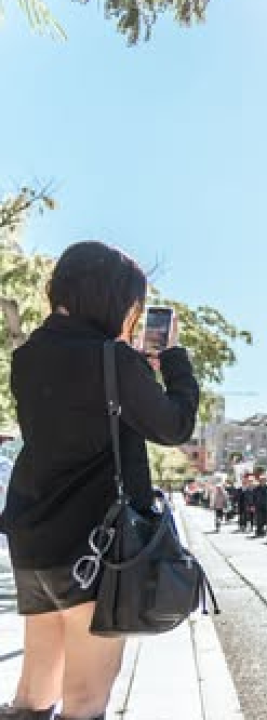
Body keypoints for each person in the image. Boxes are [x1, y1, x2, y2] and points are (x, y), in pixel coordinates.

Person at [0, 241, 199, 720]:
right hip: (95, 547)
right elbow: (174, 426)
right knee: (86, 701)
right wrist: (173, 359)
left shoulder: (28, 357)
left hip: (34, 541)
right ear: (113, 299)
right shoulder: (113, 360)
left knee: (34, 694)